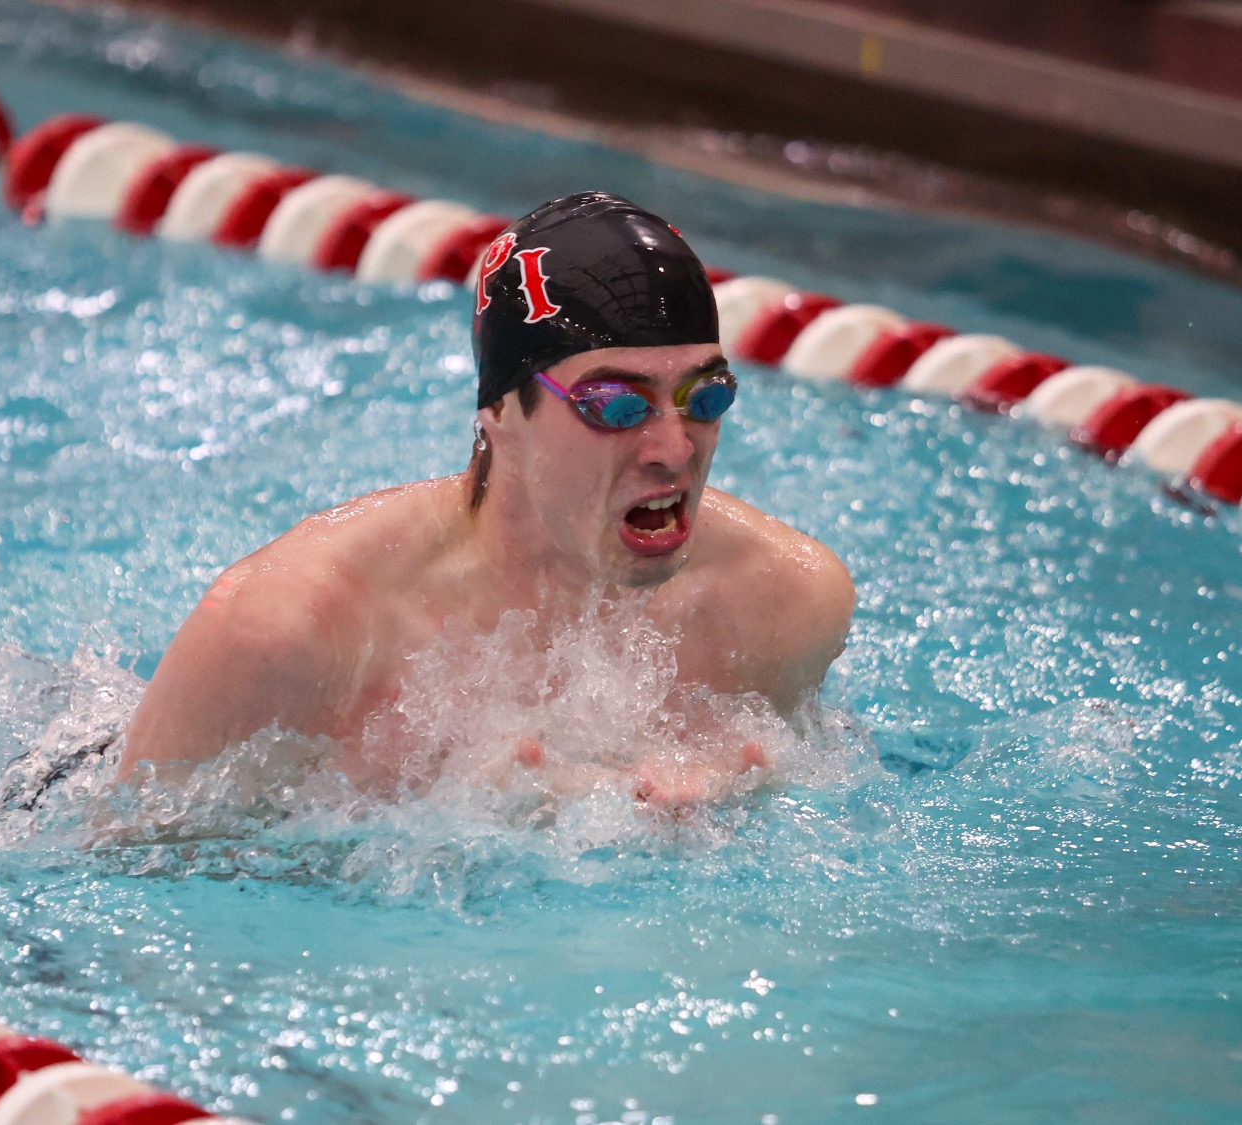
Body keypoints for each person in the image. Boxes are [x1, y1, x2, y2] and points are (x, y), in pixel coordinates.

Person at [119, 191, 854, 806]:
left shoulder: (782, 603)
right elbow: (125, 867)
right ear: (501, 411)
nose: (674, 448)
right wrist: (410, 824)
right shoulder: (291, 632)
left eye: (705, 396)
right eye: (615, 405)